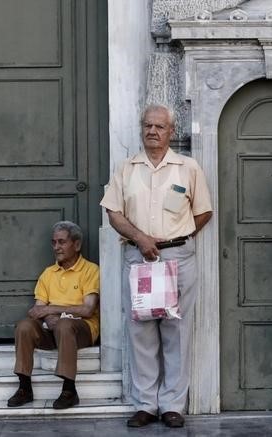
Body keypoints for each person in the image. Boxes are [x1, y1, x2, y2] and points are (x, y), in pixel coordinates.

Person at [100, 104, 213, 428]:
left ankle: (173, 405)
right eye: (147, 125)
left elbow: (204, 211)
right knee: (141, 332)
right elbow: (114, 212)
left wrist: (176, 237)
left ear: (171, 132)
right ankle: (146, 404)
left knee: (177, 331)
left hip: (177, 258)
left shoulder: (187, 168)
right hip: (139, 258)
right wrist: (141, 238)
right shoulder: (127, 168)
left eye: (159, 127)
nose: (152, 131)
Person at [7, 221, 100, 410]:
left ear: (77, 245)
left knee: (65, 325)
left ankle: (69, 390)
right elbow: (37, 311)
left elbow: (88, 309)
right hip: (52, 328)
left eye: (61, 242)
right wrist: (49, 316)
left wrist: (53, 310)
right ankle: (25, 387)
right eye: (54, 242)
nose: (56, 247)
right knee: (25, 325)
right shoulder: (48, 274)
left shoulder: (91, 270)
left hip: (82, 331)